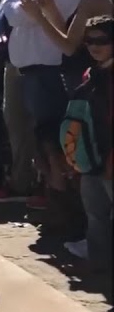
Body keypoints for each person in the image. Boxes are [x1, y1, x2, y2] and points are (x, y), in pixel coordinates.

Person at [0, 0, 84, 224]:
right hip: (29, 70)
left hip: (46, 71)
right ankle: (49, 195)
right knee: (35, 137)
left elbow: (16, 15)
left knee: (50, 141)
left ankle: (65, 208)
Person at [62, 14, 113, 270]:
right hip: (92, 156)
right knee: (95, 214)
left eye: (102, 40)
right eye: (89, 41)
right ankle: (100, 264)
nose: (94, 46)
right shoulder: (89, 75)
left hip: (109, 159)